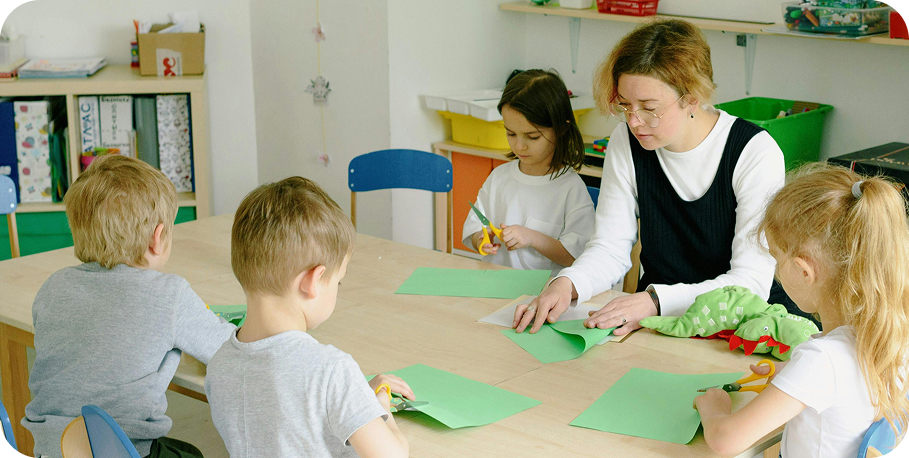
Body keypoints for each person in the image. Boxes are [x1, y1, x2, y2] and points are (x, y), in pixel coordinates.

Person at [513, 19, 789, 334]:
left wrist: (655, 301)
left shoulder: (754, 152)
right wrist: (567, 283)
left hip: (742, 327)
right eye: (625, 105)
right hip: (655, 318)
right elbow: (610, 247)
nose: (634, 121)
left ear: (692, 97)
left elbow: (750, 284)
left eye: (648, 108)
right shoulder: (626, 142)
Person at [23, 155, 235, 458]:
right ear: (157, 238)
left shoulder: (52, 287)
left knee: (184, 449)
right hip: (123, 450)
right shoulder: (169, 294)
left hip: (54, 450)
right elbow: (227, 348)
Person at [695, 164, 909, 458]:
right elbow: (845, 391)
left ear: (803, 270)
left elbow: (725, 440)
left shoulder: (822, 362)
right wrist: (791, 374)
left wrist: (714, 408)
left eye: (776, 258)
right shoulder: (892, 334)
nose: (776, 271)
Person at [205, 177, 411, 458]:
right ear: (313, 281)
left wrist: (356, 398)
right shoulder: (331, 370)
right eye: (338, 281)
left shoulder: (219, 364)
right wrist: (380, 405)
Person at [463, 69, 595, 276]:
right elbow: (474, 228)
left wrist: (533, 238)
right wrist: (480, 240)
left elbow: (575, 257)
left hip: (545, 291)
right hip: (494, 282)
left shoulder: (571, 188)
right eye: (511, 133)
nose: (519, 146)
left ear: (561, 128)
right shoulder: (499, 177)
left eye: (532, 137)